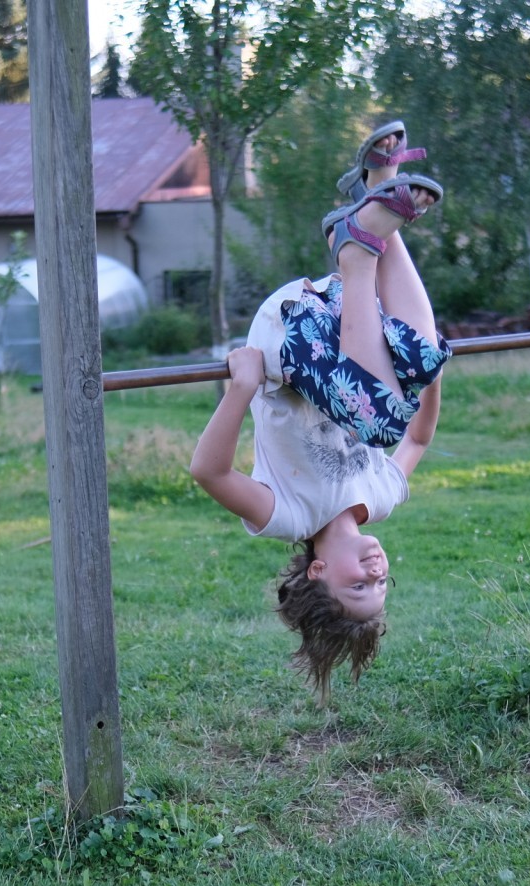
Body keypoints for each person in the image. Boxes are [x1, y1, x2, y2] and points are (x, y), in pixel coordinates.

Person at [188, 122, 450, 703]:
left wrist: (240, 389)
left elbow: (209, 472)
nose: (376, 572)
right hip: (340, 316)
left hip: (290, 335)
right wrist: (431, 376)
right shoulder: (381, 499)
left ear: (319, 572)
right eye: (383, 584)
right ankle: (377, 185)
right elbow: (419, 440)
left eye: (360, 587)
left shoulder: (287, 515)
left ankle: (356, 245)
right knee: (421, 354)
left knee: (378, 418)